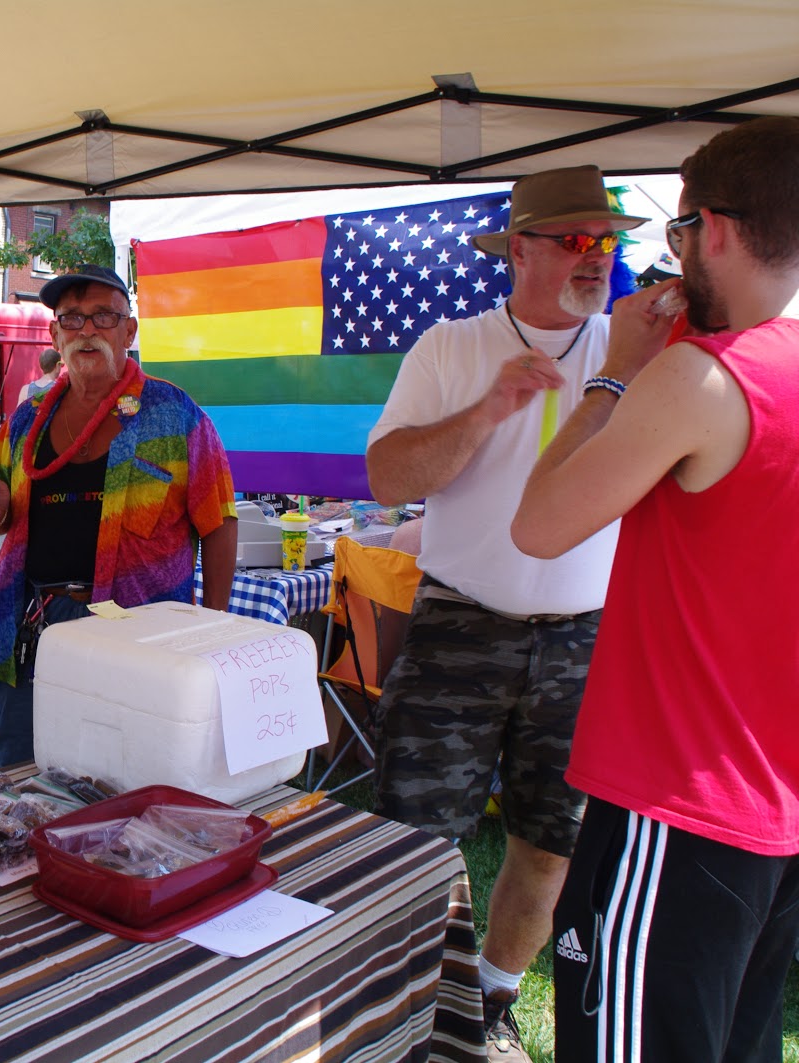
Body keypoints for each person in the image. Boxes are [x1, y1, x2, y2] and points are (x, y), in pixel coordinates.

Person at [513, 117, 799, 1063]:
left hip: (676, 798)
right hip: (770, 802)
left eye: (678, 231)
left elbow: (539, 523)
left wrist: (611, 378)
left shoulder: (697, 378)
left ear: (711, 229)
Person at [365, 165, 644, 1060]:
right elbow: (387, 479)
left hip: (587, 637)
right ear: (519, 249)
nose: (597, 256)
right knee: (414, 838)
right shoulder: (451, 347)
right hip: (460, 626)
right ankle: (402, 1008)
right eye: (576, 239)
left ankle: (487, 1000)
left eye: (607, 240)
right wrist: (489, 407)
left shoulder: (634, 350)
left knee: (551, 843)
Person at [0, 264, 238, 769]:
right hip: (34, 626)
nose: (87, 330)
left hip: (137, 633)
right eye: (72, 318)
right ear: (55, 335)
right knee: (15, 777)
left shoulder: (173, 413)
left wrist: (212, 629)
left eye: (103, 316)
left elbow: (219, 522)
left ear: (129, 331)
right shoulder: (27, 418)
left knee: (124, 775)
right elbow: (2, 517)